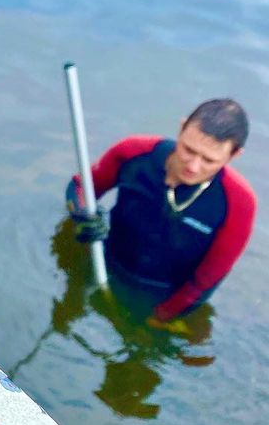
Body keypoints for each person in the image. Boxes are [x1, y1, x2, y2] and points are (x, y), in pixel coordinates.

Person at [65, 98, 256, 325]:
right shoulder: (133, 152)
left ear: (233, 155)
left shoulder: (239, 202)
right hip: (105, 262)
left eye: (208, 160)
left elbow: (206, 280)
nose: (193, 166)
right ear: (181, 128)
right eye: (188, 149)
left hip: (163, 293)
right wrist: (83, 215)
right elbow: (79, 187)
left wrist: (160, 317)